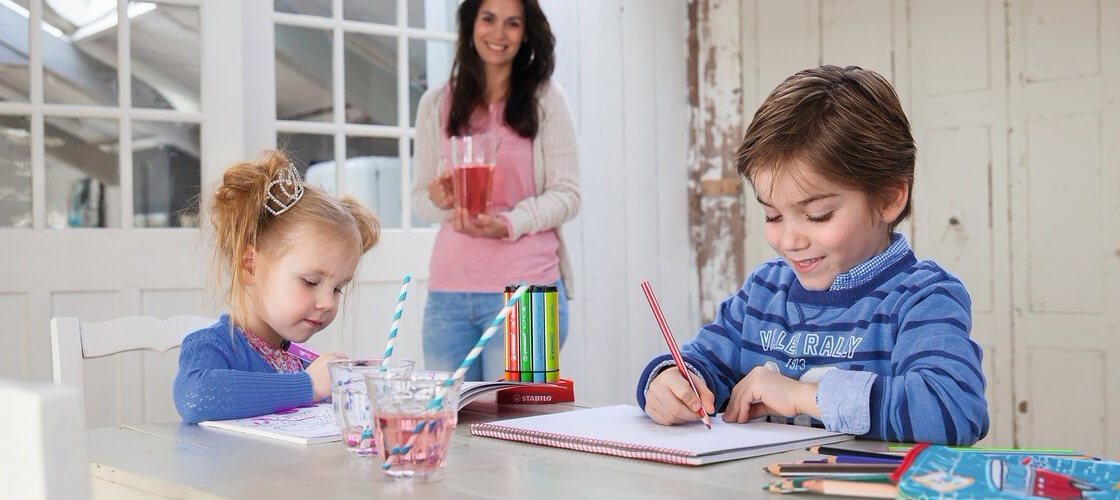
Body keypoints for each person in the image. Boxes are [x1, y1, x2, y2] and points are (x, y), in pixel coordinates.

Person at [637, 65, 989, 445]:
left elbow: (952, 410)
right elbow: (701, 364)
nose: (789, 240)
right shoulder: (763, 292)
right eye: (772, 215)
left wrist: (801, 396)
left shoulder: (923, 298)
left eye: (818, 215)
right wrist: (669, 382)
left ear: (889, 198)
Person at [411, 0, 579, 381]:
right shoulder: (436, 104)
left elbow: (568, 194)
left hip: (526, 291)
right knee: (450, 415)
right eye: (488, 18)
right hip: (448, 296)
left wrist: (508, 223)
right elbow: (420, 197)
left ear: (526, 33)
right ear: (471, 24)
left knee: (518, 414)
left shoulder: (546, 100)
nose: (499, 33)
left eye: (512, 23)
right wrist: (442, 200)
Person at [173, 150, 380, 423]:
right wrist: (309, 385)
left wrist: (354, 387)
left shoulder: (300, 361)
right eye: (310, 282)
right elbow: (196, 396)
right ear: (251, 266)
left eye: (337, 288)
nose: (328, 303)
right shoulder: (212, 348)